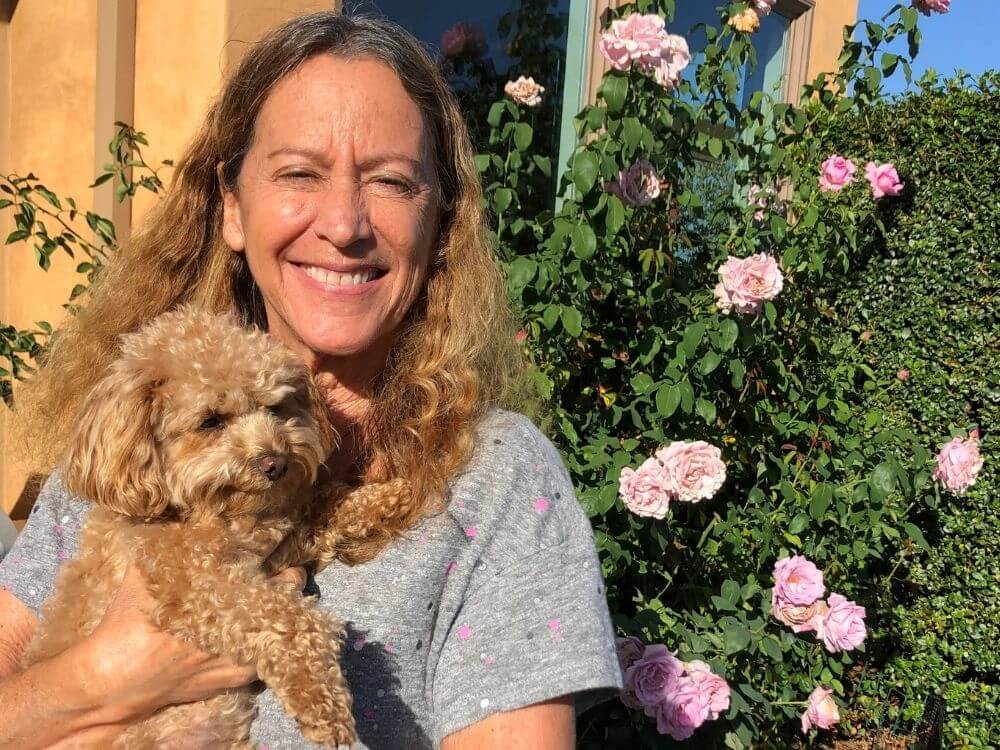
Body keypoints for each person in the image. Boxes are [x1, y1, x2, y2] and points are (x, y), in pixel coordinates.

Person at [0, 12, 621, 749]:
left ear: (439, 220)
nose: (344, 223)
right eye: (299, 173)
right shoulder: (143, 424)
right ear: (232, 207)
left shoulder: (496, 479)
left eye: (391, 181)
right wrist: (108, 675)